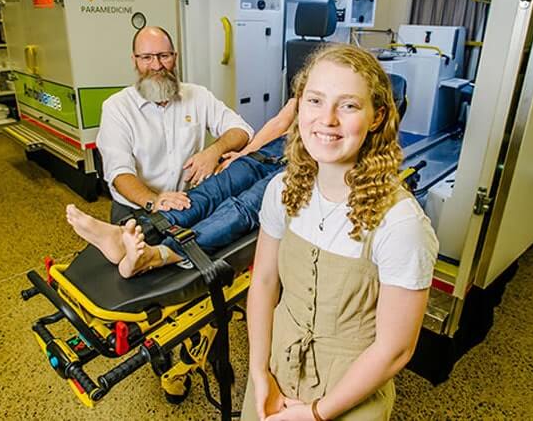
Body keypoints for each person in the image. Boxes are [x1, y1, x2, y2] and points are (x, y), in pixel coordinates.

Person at [242, 44, 438, 420]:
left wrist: (315, 413)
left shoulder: (401, 223)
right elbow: (264, 282)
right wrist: (259, 371)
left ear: (377, 117)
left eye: (348, 105)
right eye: (315, 100)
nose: (327, 119)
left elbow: (395, 349)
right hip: (274, 370)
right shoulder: (281, 189)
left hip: (348, 392)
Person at [66, 97, 298, 278]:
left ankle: (160, 255)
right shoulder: (309, 90)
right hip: (269, 153)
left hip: (303, 169)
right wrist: (244, 154)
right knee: (212, 190)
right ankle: (136, 234)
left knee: (245, 205)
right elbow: (280, 122)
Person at [96, 26, 254, 223]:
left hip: (186, 204)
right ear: (134, 61)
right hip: (138, 207)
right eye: (146, 57)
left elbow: (243, 130)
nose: (156, 65)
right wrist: (154, 201)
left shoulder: (198, 96)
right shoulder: (116, 107)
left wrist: (214, 151)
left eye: (164, 56)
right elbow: (119, 173)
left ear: (175, 57)